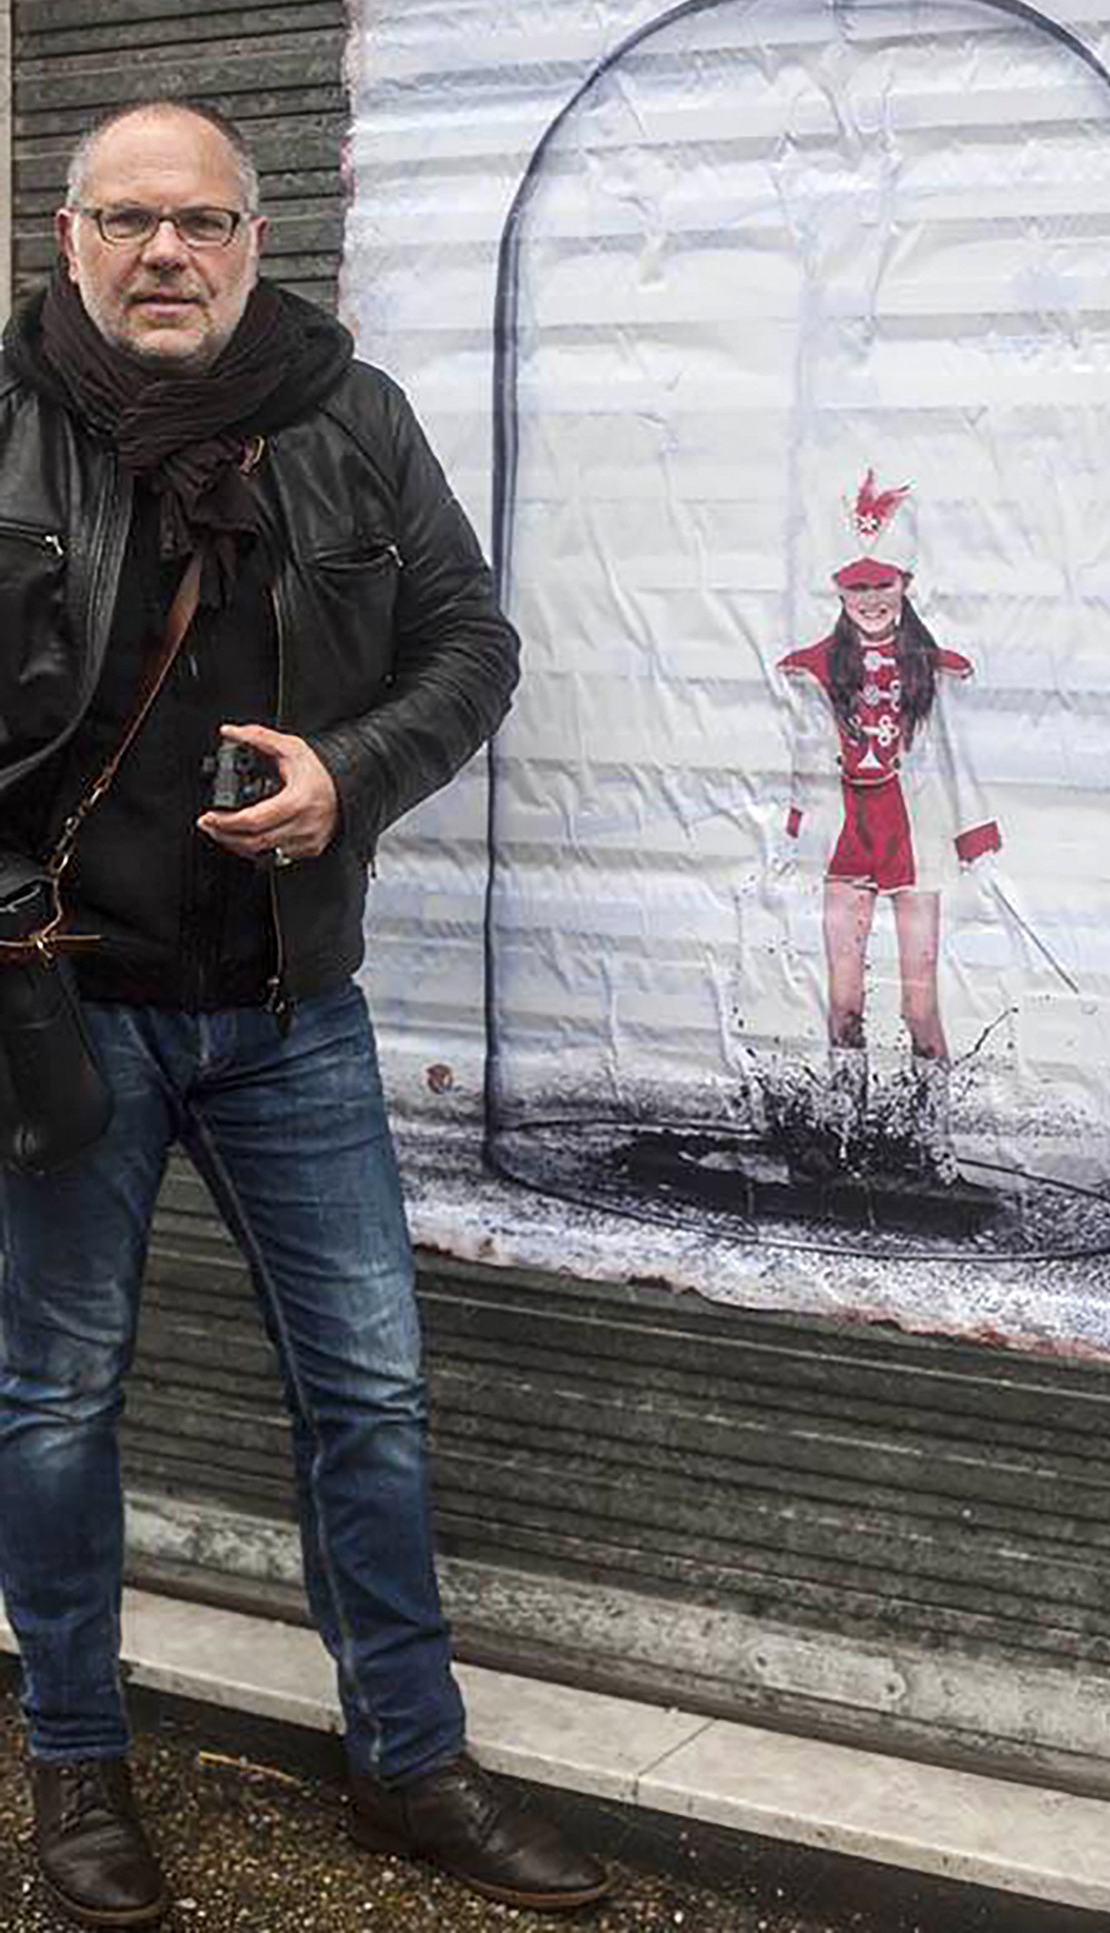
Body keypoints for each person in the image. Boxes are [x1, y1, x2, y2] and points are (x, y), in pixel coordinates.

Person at [0, 99, 608, 1927]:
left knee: (373, 1395)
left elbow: (472, 645)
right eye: (129, 221)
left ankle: (412, 1763)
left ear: (257, 239)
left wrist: (352, 772)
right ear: (70, 236)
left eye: (198, 222)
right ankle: (77, 1768)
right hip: (64, 1005)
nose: (164, 253)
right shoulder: (8, 418)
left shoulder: (352, 418)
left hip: (288, 1008)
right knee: (52, 1402)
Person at [778, 475, 1000, 1180]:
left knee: (918, 1002)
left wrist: (972, 835)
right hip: (848, 838)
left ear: (905, 585)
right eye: (856, 589)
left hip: (916, 839)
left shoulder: (935, 669)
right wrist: (789, 836)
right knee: (843, 996)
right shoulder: (814, 667)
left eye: (883, 587)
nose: (871, 602)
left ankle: (934, 1147)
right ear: (839, 594)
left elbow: (957, 757)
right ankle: (843, 1136)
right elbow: (801, 761)